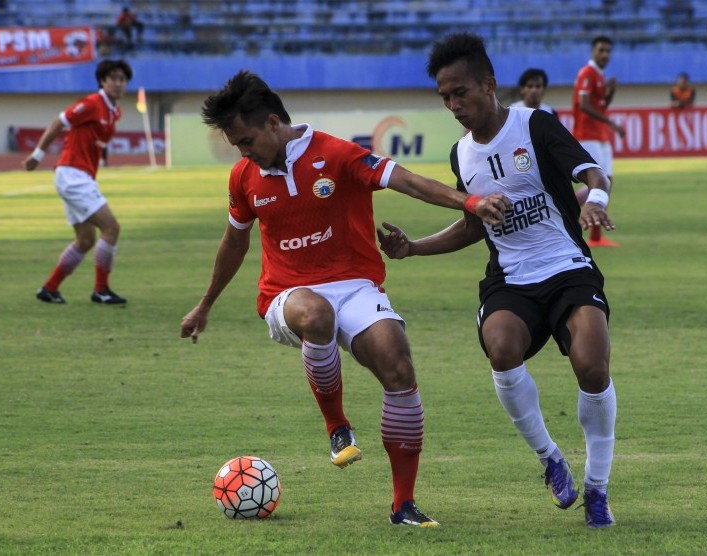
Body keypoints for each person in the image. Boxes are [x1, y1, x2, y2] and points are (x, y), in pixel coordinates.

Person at [179, 70, 510, 527]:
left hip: (355, 285)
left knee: (398, 363)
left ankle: (404, 506)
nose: (243, 152)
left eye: (247, 140)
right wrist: (206, 303)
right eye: (237, 146)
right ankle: (337, 425)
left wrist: (467, 203)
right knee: (317, 314)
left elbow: (406, 181)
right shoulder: (244, 178)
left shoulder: (336, 154)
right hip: (287, 294)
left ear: (273, 123)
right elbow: (234, 242)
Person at [377, 33, 618, 528]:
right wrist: (415, 247)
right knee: (501, 348)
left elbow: (594, 174)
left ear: (488, 85)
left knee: (592, 367)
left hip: (567, 268)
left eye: (460, 92)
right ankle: (550, 458)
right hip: (510, 279)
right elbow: (472, 224)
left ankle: (597, 488)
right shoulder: (460, 155)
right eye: (444, 97)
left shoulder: (535, 125)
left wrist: (596, 200)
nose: (453, 104)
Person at [23, 59, 132, 305]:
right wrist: (37, 155)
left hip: (79, 176)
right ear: (102, 81)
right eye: (112, 78)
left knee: (85, 240)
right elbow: (59, 122)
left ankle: (49, 289)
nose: (117, 83)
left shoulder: (115, 111)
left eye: (122, 79)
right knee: (111, 228)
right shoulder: (93, 103)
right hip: (72, 175)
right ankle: (101, 290)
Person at [572, 35, 624, 248]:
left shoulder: (600, 76)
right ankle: (566, 209)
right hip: (587, 134)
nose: (605, 54)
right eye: (601, 50)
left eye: (608, 51)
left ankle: (595, 236)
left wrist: (609, 91)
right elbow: (584, 105)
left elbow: (601, 104)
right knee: (597, 181)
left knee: (607, 182)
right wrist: (611, 123)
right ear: (593, 51)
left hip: (599, 134)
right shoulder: (587, 73)